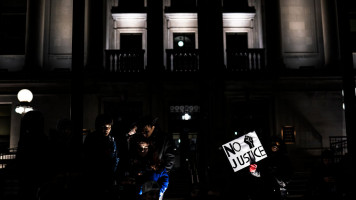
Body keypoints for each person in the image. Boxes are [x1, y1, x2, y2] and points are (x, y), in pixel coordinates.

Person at [15, 111, 52, 200]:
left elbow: (20, 159)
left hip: (28, 178)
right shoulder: (44, 139)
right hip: (39, 178)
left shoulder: (25, 139)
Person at [82, 113, 120, 199]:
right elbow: (87, 159)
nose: (106, 130)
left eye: (109, 127)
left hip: (109, 178)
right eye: (104, 127)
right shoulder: (91, 138)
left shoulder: (112, 139)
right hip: (94, 179)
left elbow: (116, 157)